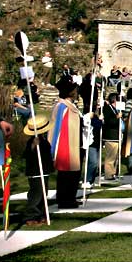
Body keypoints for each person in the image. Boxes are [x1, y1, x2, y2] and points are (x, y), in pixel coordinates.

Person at [48, 77, 83, 208]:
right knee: (65, 174)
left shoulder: (72, 106)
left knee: (73, 174)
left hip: (74, 143)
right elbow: (56, 128)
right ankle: (64, 199)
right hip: (65, 143)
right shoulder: (61, 106)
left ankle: (70, 197)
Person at [22, 114, 54, 226]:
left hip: (44, 171)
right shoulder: (32, 142)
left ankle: (40, 214)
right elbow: (27, 155)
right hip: (35, 172)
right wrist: (33, 147)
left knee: (43, 194)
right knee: (36, 195)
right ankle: (30, 215)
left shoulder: (44, 142)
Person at [102, 93, 121, 181]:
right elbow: (108, 122)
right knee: (111, 157)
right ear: (114, 100)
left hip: (116, 136)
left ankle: (114, 172)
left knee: (115, 156)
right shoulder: (107, 109)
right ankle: (109, 174)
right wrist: (117, 117)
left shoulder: (115, 109)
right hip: (110, 136)